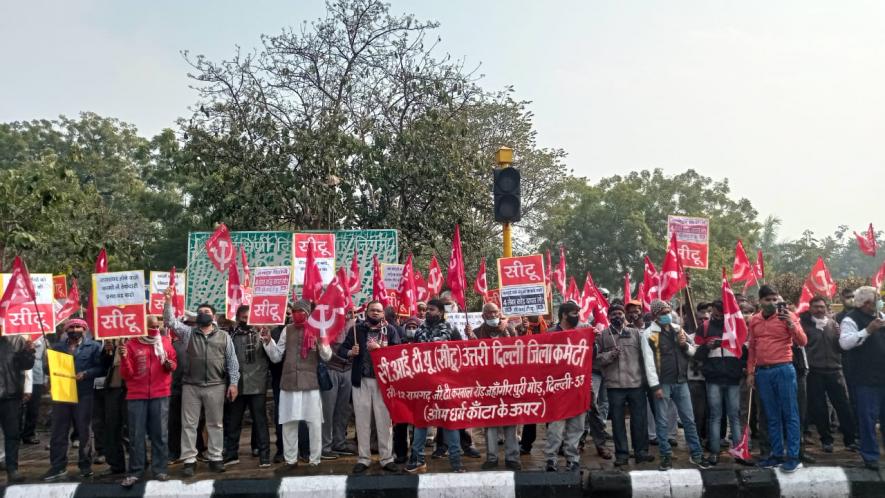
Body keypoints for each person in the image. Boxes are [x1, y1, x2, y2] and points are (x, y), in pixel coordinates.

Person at [163, 288, 240, 477]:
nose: (203, 315)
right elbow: (170, 322)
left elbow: (232, 362)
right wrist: (168, 301)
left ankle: (215, 458)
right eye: (201, 312)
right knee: (189, 424)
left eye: (207, 312)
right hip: (191, 385)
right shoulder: (189, 333)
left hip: (216, 385)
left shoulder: (224, 336)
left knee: (215, 424)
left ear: (213, 317)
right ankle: (189, 460)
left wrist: (234, 383)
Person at [262, 299, 332, 472]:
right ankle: (290, 460)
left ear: (308, 313)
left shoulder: (318, 329)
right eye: (294, 311)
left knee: (314, 423)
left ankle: (315, 461)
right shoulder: (287, 329)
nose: (296, 314)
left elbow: (327, 356)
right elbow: (277, 356)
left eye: (300, 310)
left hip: (311, 383)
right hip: (289, 383)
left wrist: (322, 341)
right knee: (289, 422)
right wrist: (268, 341)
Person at [747, 285, 806, 473]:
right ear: (760, 301)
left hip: (784, 369)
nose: (772, 303)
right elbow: (752, 349)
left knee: (790, 414)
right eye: (767, 300)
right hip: (762, 372)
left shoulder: (788, 316)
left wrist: (791, 323)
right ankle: (776, 454)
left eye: (774, 299)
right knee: (771, 415)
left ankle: (794, 457)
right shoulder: (754, 320)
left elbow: (803, 341)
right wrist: (750, 373)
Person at [644, 299, 710, 471]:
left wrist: (684, 345)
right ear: (655, 315)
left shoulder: (677, 329)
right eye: (662, 313)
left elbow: (694, 351)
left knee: (689, 420)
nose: (667, 315)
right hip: (662, 383)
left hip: (681, 381)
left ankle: (696, 454)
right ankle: (665, 456)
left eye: (668, 311)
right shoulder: (649, 334)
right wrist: (655, 386)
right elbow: (649, 363)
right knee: (662, 422)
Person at [337, 300, 400, 473]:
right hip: (361, 381)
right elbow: (341, 350)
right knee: (362, 421)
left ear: (383, 314)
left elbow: (397, 353)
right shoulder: (356, 330)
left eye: (378, 311)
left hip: (383, 382)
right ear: (366, 312)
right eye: (372, 310)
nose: (375, 313)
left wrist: (380, 349)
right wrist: (351, 352)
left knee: (384, 421)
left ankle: (386, 458)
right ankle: (363, 458)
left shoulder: (391, 330)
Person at [405, 299, 465, 474]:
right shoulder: (420, 330)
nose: (427, 312)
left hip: (446, 384)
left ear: (440, 311)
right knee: (421, 422)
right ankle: (418, 460)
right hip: (423, 384)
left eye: (431, 309)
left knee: (449, 422)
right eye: (426, 309)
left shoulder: (451, 329)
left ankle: (455, 462)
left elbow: (461, 353)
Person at [118, 315, 177, 487]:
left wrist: (169, 365)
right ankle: (136, 471)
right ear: (142, 327)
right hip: (137, 396)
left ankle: (160, 470)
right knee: (136, 436)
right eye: (151, 326)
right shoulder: (131, 344)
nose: (155, 329)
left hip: (160, 394)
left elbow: (174, 363)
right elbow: (126, 374)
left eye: (156, 325)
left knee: (160, 435)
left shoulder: (165, 341)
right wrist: (123, 357)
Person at [43, 319, 105, 482]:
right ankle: (57, 466)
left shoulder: (94, 347)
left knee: (84, 431)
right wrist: (48, 359)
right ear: (66, 330)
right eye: (71, 327)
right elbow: (46, 370)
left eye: (78, 327)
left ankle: (85, 466)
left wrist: (86, 374)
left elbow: (101, 368)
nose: (75, 329)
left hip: (84, 394)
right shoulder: (56, 348)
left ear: (84, 330)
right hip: (62, 394)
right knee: (58, 431)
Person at [596, 304, 657, 466]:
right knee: (617, 422)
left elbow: (645, 358)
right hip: (614, 386)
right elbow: (598, 359)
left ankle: (641, 452)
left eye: (620, 313)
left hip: (636, 384)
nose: (617, 316)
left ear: (625, 316)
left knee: (640, 420)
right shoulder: (603, 335)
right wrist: (610, 355)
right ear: (609, 317)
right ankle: (622, 454)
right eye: (614, 314)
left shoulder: (636, 334)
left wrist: (647, 381)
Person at [468, 303, 522, 470]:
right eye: (489, 313)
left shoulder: (510, 330)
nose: (492, 316)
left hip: (508, 382)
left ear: (500, 313)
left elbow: (519, 351)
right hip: (487, 384)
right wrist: (470, 341)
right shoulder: (476, 333)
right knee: (490, 422)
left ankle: (512, 457)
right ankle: (492, 457)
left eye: (495, 312)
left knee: (510, 420)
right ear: (483, 316)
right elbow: (473, 358)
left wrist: (510, 332)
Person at [801, 296, 857, 453]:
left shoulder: (834, 324)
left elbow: (842, 348)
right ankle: (826, 440)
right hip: (814, 372)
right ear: (810, 308)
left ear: (826, 308)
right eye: (816, 307)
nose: (819, 310)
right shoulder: (804, 325)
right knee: (819, 408)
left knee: (844, 406)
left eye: (822, 307)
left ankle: (850, 440)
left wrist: (840, 337)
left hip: (835, 370)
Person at [838, 286, 885, 470]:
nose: (880, 301)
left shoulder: (880, 315)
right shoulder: (851, 319)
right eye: (877, 299)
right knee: (868, 419)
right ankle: (870, 456)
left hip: (883, 376)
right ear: (867, 303)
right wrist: (867, 331)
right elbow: (845, 343)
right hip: (865, 379)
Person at [694, 300, 744, 465]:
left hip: (733, 378)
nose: (718, 317)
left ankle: (739, 451)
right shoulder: (704, 327)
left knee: (735, 416)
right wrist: (706, 347)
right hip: (713, 378)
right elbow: (696, 355)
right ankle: (714, 451)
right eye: (715, 314)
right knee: (715, 416)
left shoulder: (736, 326)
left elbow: (745, 351)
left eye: (721, 314)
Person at [222, 305, 272, 468]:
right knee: (234, 421)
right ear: (237, 318)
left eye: (249, 318)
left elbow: (273, 355)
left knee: (260, 422)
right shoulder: (231, 335)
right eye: (243, 318)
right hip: (237, 384)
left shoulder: (262, 333)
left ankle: (264, 456)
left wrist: (267, 338)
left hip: (257, 384)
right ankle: (231, 455)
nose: (246, 321)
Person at [544, 301, 587, 472]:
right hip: (558, 387)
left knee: (577, 426)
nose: (577, 316)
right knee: (556, 426)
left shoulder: (584, 330)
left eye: (578, 312)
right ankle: (551, 459)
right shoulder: (550, 333)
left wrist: (595, 341)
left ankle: (572, 458)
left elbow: (592, 355)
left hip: (578, 385)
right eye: (574, 313)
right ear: (564, 315)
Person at [0, 332, 36, 483]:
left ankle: (12, 470)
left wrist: (29, 351)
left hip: (11, 394)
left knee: (13, 434)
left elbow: (27, 365)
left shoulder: (17, 340)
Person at [321, 308, 356, 460]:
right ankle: (325, 446)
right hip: (331, 370)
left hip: (348, 371)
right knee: (328, 410)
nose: (346, 314)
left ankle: (339, 442)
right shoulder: (327, 325)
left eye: (348, 311)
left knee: (343, 410)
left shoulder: (354, 326)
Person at [98, 338, 128, 477]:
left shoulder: (138, 336)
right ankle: (116, 465)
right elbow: (103, 366)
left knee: (132, 429)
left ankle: (138, 464)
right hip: (113, 388)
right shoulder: (110, 340)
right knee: (112, 427)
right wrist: (107, 352)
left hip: (132, 389)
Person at [20, 336, 44, 446]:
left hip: (37, 376)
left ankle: (29, 434)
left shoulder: (43, 339)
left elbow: (45, 358)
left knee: (33, 409)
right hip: (19, 376)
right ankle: (16, 433)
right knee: (18, 409)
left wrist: (47, 378)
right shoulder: (17, 337)